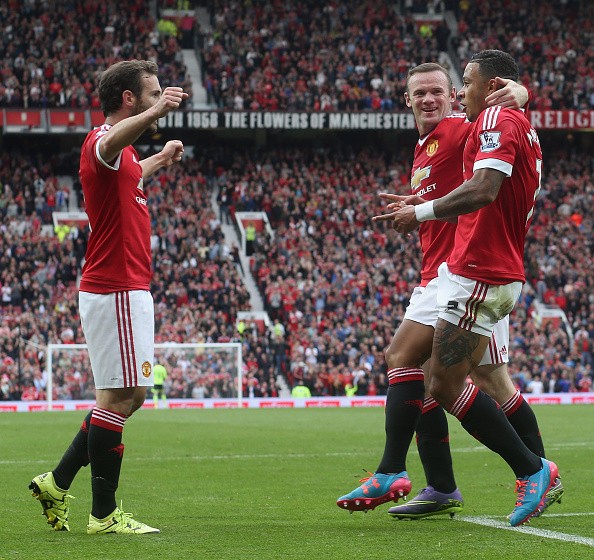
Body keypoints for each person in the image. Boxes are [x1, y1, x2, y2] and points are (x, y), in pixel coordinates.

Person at [337, 62, 562, 520]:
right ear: (406, 100)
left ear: (454, 96)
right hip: (447, 275)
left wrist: (517, 90)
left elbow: (500, 127)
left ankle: (535, 473)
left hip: (467, 273)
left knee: (479, 381)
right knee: (418, 369)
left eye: (439, 91)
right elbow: (460, 185)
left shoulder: (461, 127)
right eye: (419, 93)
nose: (430, 100)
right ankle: (435, 482)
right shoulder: (425, 148)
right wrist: (421, 203)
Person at [29, 60, 188, 534]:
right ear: (129, 99)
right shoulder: (101, 140)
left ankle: (57, 484)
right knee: (122, 398)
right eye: (152, 92)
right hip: (116, 287)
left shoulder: (124, 160)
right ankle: (102, 515)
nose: (160, 96)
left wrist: (159, 159)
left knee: (125, 397)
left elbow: (130, 176)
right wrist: (159, 111)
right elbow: (110, 144)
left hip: (124, 287)